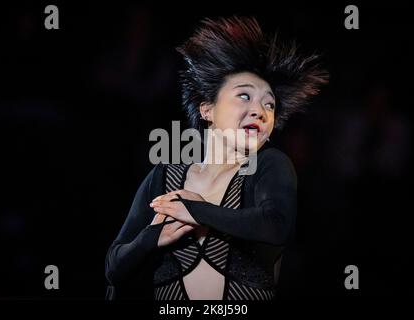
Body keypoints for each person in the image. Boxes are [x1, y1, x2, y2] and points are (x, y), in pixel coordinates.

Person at [105, 16, 328, 300]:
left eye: (269, 103)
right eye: (244, 96)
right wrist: (150, 239)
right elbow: (113, 268)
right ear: (207, 109)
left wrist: (196, 210)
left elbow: (276, 225)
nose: (261, 110)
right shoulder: (165, 177)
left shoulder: (270, 167)